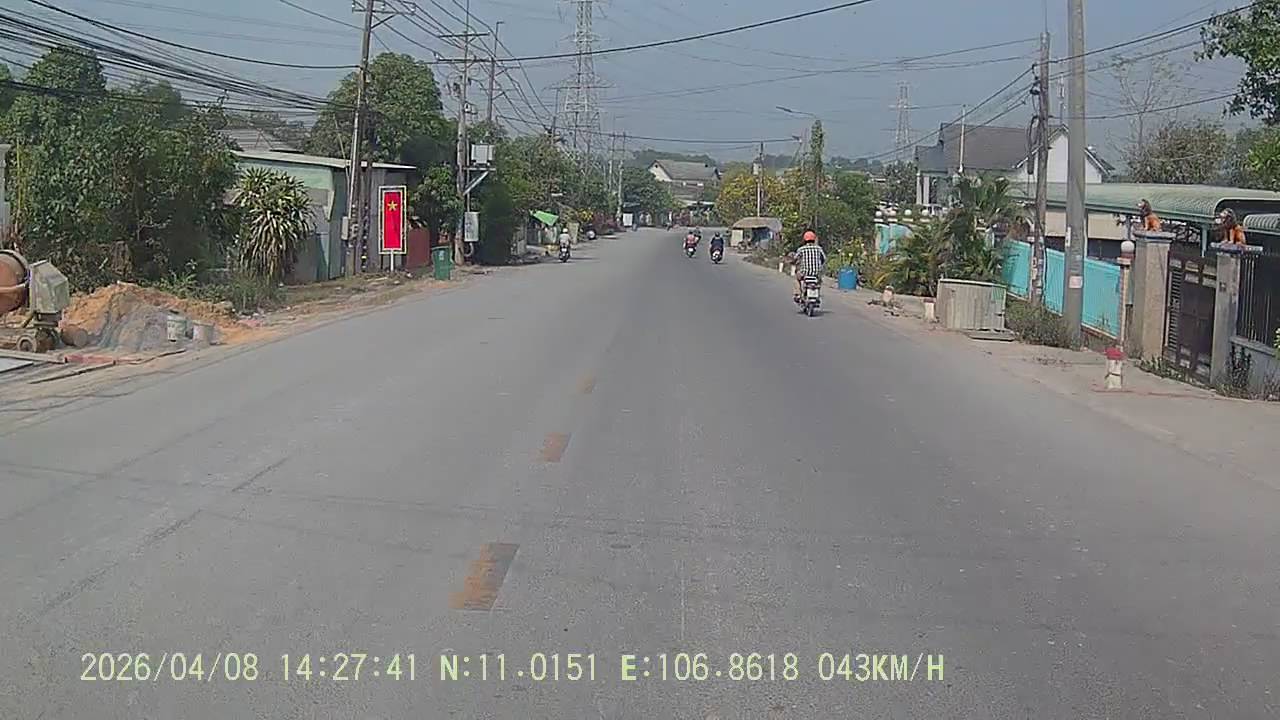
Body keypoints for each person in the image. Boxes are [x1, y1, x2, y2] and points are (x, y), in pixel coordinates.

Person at [790, 230, 827, 300]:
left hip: (804, 273)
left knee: (796, 278)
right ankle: (817, 293)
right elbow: (824, 258)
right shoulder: (819, 248)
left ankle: (798, 294)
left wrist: (793, 262)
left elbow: (795, 258)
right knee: (819, 281)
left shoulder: (801, 249)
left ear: (804, 240)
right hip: (816, 273)